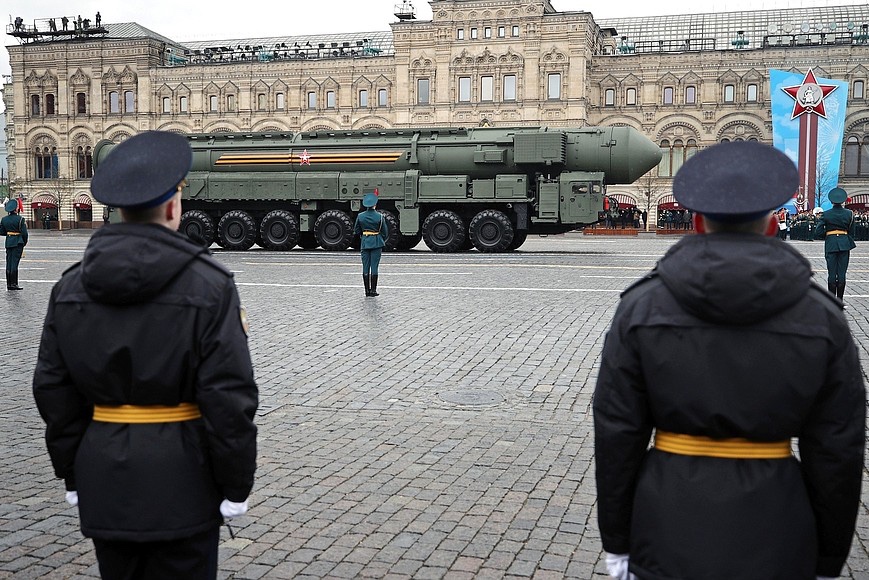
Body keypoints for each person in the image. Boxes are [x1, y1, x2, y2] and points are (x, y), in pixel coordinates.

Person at [594, 141, 864, 580]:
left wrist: (618, 543)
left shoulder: (641, 309)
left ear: (697, 223)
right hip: (778, 528)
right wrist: (830, 558)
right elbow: (838, 449)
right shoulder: (822, 317)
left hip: (666, 523)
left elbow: (616, 435)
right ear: (774, 225)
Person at [32, 131, 258, 579]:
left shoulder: (69, 287)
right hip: (186, 481)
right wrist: (235, 485)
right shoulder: (210, 285)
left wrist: (73, 472)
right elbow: (229, 399)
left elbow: (53, 390)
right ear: (173, 206)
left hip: (103, 478)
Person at [815, 187, 856, 300]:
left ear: (831, 201)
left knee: (832, 273)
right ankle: (840, 300)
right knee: (842, 273)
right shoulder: (849, 214)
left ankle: (832, 300)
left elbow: (818, 231)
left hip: (831, 243)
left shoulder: (826, 214)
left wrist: (828, 236)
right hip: (844, 243)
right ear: (843, 201)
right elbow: (852, 231)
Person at [353, 191, 388, 296]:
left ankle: (366, 291)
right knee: (374, 267)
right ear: (375, 204)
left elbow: (356, 230)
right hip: (376, 242)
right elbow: (384, 232)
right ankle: (373, 290)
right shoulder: (380, 217)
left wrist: (364, 237)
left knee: (365, 266)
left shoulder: (360, 216)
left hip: (365, 242)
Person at [1, 198, 28, 290]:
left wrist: (10, 233)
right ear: (15, 209)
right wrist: (23, 243)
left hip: (8, 242)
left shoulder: (4, 219)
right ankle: (14, 284)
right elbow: (24, 234)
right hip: (18, 243)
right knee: (14, 264)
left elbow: (2, 231)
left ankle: (9, 284)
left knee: (9, 263)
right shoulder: (20, 219)